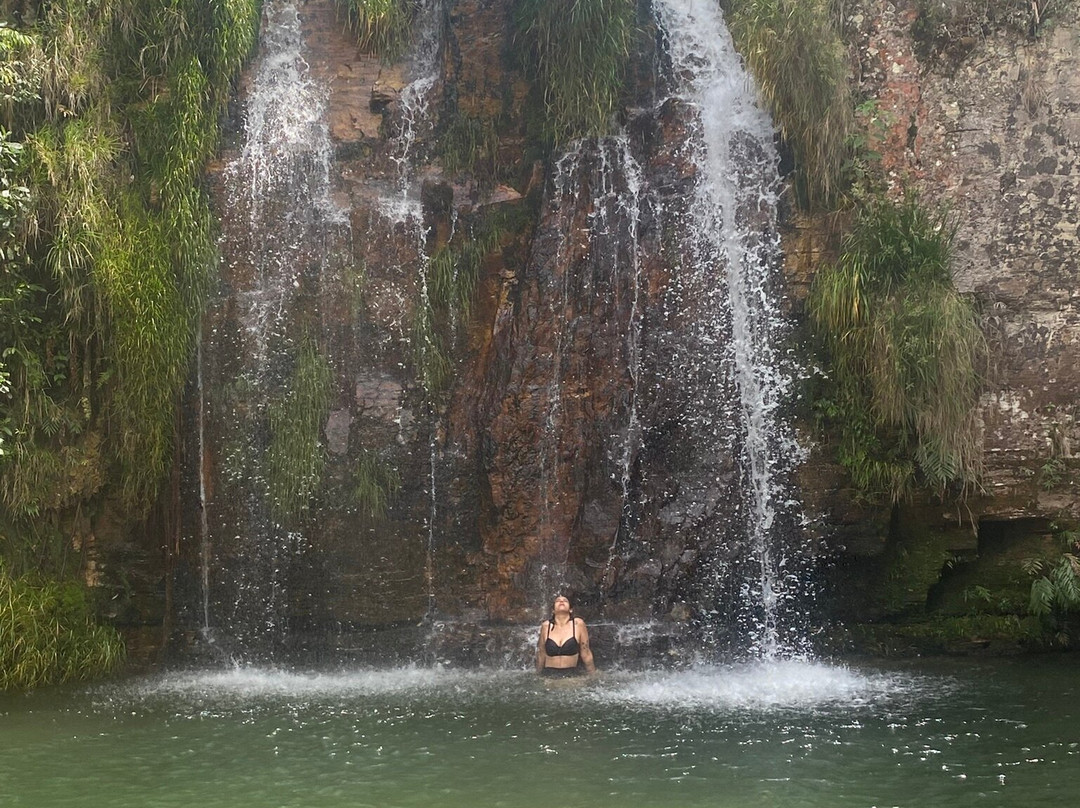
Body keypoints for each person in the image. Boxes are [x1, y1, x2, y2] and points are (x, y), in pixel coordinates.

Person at [536, 595, 596, 677]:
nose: (561, 601)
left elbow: (586, 652)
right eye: (558, 601)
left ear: (571, 609)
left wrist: (592, 674)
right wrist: (538, 674)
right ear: (553, 610)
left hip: (571, 675)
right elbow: (541, 653)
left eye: (565, 600)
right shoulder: (546, 626)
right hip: (549, 675)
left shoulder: (578, 624)